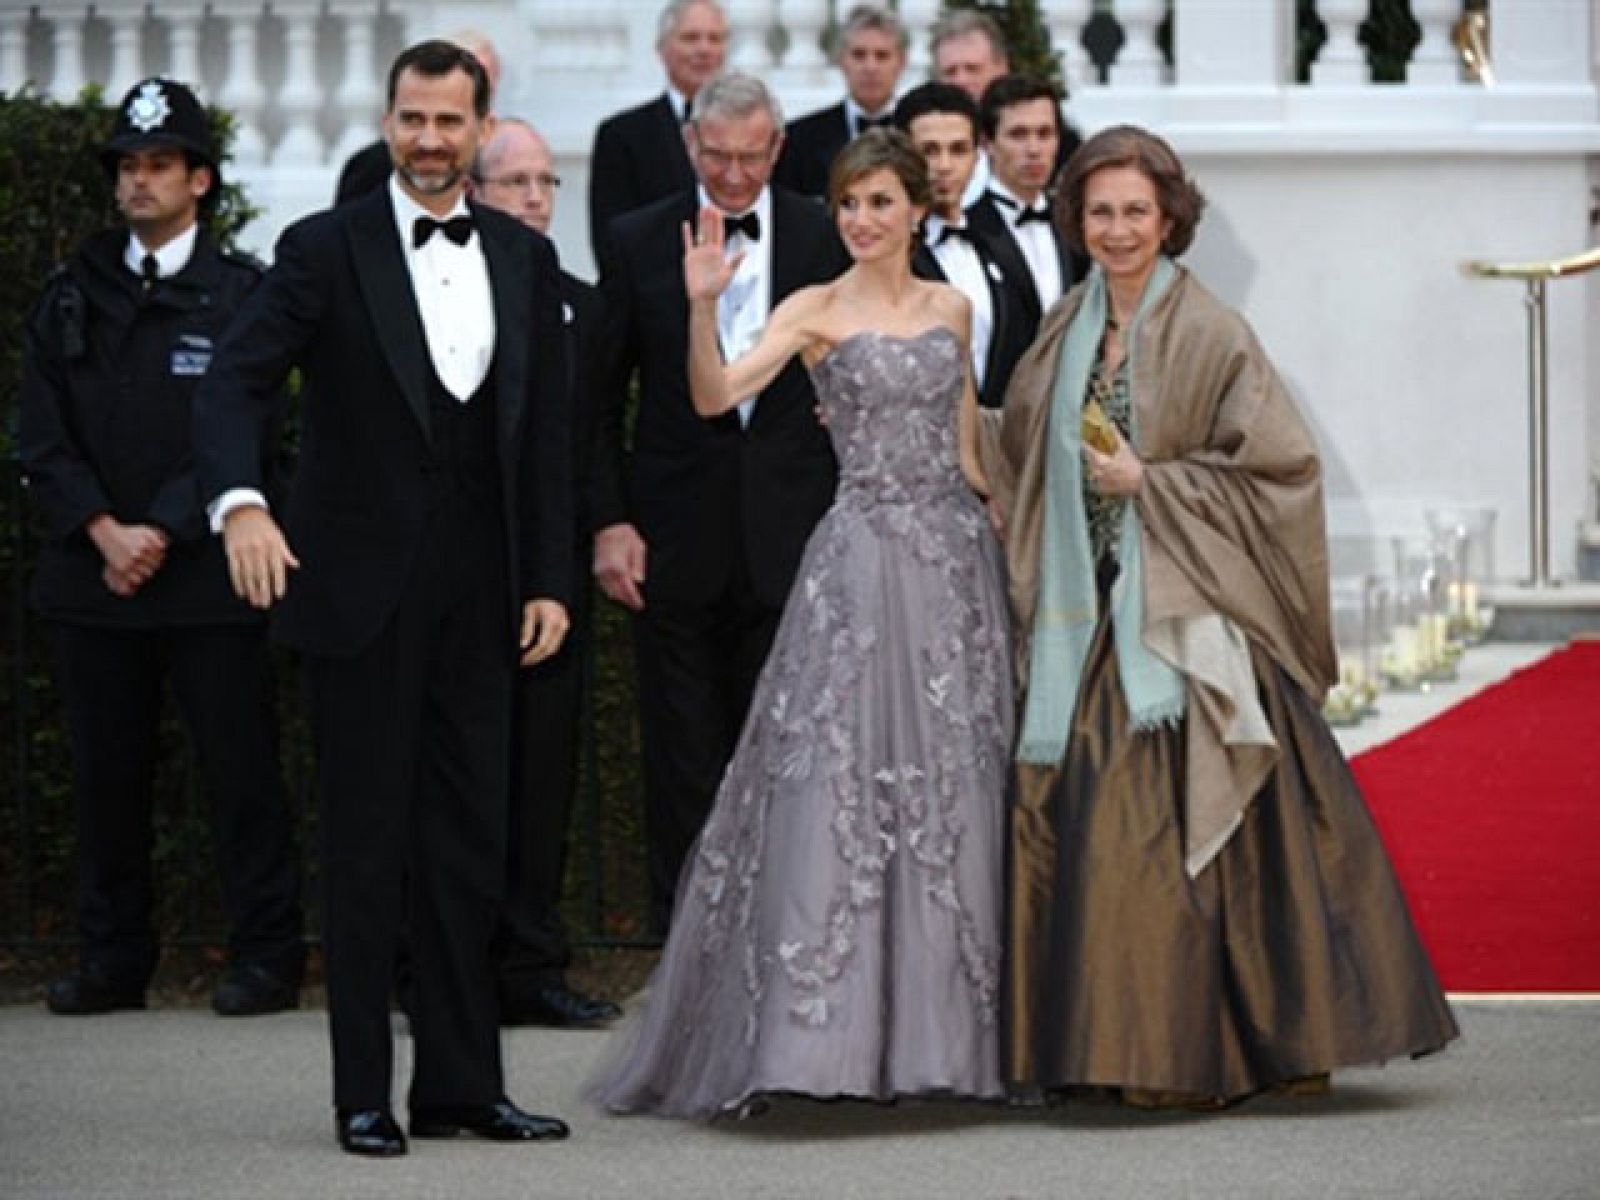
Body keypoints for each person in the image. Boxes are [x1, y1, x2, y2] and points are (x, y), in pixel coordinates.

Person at [982, 125, 1459, 1107]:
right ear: (1076, 219)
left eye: (1134, 213)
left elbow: (1282, 470)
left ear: (1169, 220)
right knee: (1076, 813)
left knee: (1157, 824)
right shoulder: (1063, 328)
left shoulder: (1211, 333)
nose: (1116, 230)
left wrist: (1150, 479)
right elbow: (1020, 449)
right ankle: (1098, 1043)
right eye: (1099, 211)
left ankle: (1182, 1052)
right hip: (1081, 621)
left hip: (1182, 620)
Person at [193, 41, 574, 1156]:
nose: (428, 139)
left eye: (448, 122)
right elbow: (233, 381)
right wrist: (240, 504)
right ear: (390, 119)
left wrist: (549, 577)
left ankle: (461, 1087)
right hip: (356, 595)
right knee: (365, 847)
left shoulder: (519, 254)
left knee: (470, 845)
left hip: (486, 596)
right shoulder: (321, 248)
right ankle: (363, 1091)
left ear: (480, 126)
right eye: (411, 118)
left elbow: (545, 439)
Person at [593, 128, 1012, 1118]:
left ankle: (944, 1040)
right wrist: (701, 305)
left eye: (879, 203)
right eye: (850, 204)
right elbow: (711, 395)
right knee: (838, 788)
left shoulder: (953, 307)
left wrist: (1019, 525)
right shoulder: (811, 310)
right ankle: (820, 1041)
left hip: (951, 569)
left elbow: (969, 452)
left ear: (916, 208)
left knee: (953, 791)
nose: (863, 222)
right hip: (859, 567)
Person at [19, 77, 305, 1019]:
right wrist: (104, 529)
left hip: (204, 577)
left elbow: (248, 427)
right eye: (129, 167)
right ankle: (113, 960)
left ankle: (265, 956)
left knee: (239, 773)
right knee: (107, 780)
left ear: (202, 180)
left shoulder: (242, 295)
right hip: (95, 578)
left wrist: (165, 527)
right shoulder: (71, 291)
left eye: (159, 166)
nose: (139, 183)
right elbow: (42, 433)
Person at [592, 72, 848, 934]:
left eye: (752, 157)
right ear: (692, 147)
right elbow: (593, 400)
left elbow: (895, 342)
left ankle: (785, 945)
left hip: (797, 537)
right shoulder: (635, 239)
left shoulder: (825, 233)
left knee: (789, 753)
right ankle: (687, 955)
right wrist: (610, 520)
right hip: (674, 539)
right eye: (718, 157)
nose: (734, 177)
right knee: (682, 756)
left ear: (778, 149)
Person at [472, 118, 621, 1029]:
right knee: (453, 779)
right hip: (454, 576)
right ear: (477, 193)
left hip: (552, 578)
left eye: (544, 182)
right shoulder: (434, 294)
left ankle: (528, 966)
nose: (534, 197)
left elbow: (596, 435)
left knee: (540, 778)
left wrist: (603, 533)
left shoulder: (581, 303)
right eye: (515, 182)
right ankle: (440, 967)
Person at [894, 82, 1030, 410]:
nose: (944, 166)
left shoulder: (998, 243)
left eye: (958, 150)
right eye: (929, 151)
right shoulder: (885, 253)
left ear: (977, 153)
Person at [588, 0, 728, 267]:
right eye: (690, 38)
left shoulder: (750, 132)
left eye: (715, 38)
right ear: (661, 49)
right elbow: (609, 238)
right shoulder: (620, 135)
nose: (704, 49)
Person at [966, 74, 1083, 352]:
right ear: (987, 143)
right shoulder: (966, 229)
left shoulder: (1073, 223)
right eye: (1018, 135)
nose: (1034, 149)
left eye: (1045, 134)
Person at [333, 29, 502, 206]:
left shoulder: (510, 152)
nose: (430, 142)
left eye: (449, 122)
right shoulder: (369, 168)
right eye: (413, 120)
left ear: (485, 129)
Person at [773, 4, 907, 200]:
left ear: (901, 62)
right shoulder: (799, 139)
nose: (870, 67)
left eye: (882, 56)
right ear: (841, 60)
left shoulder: (919, 134)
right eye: (859, 55)